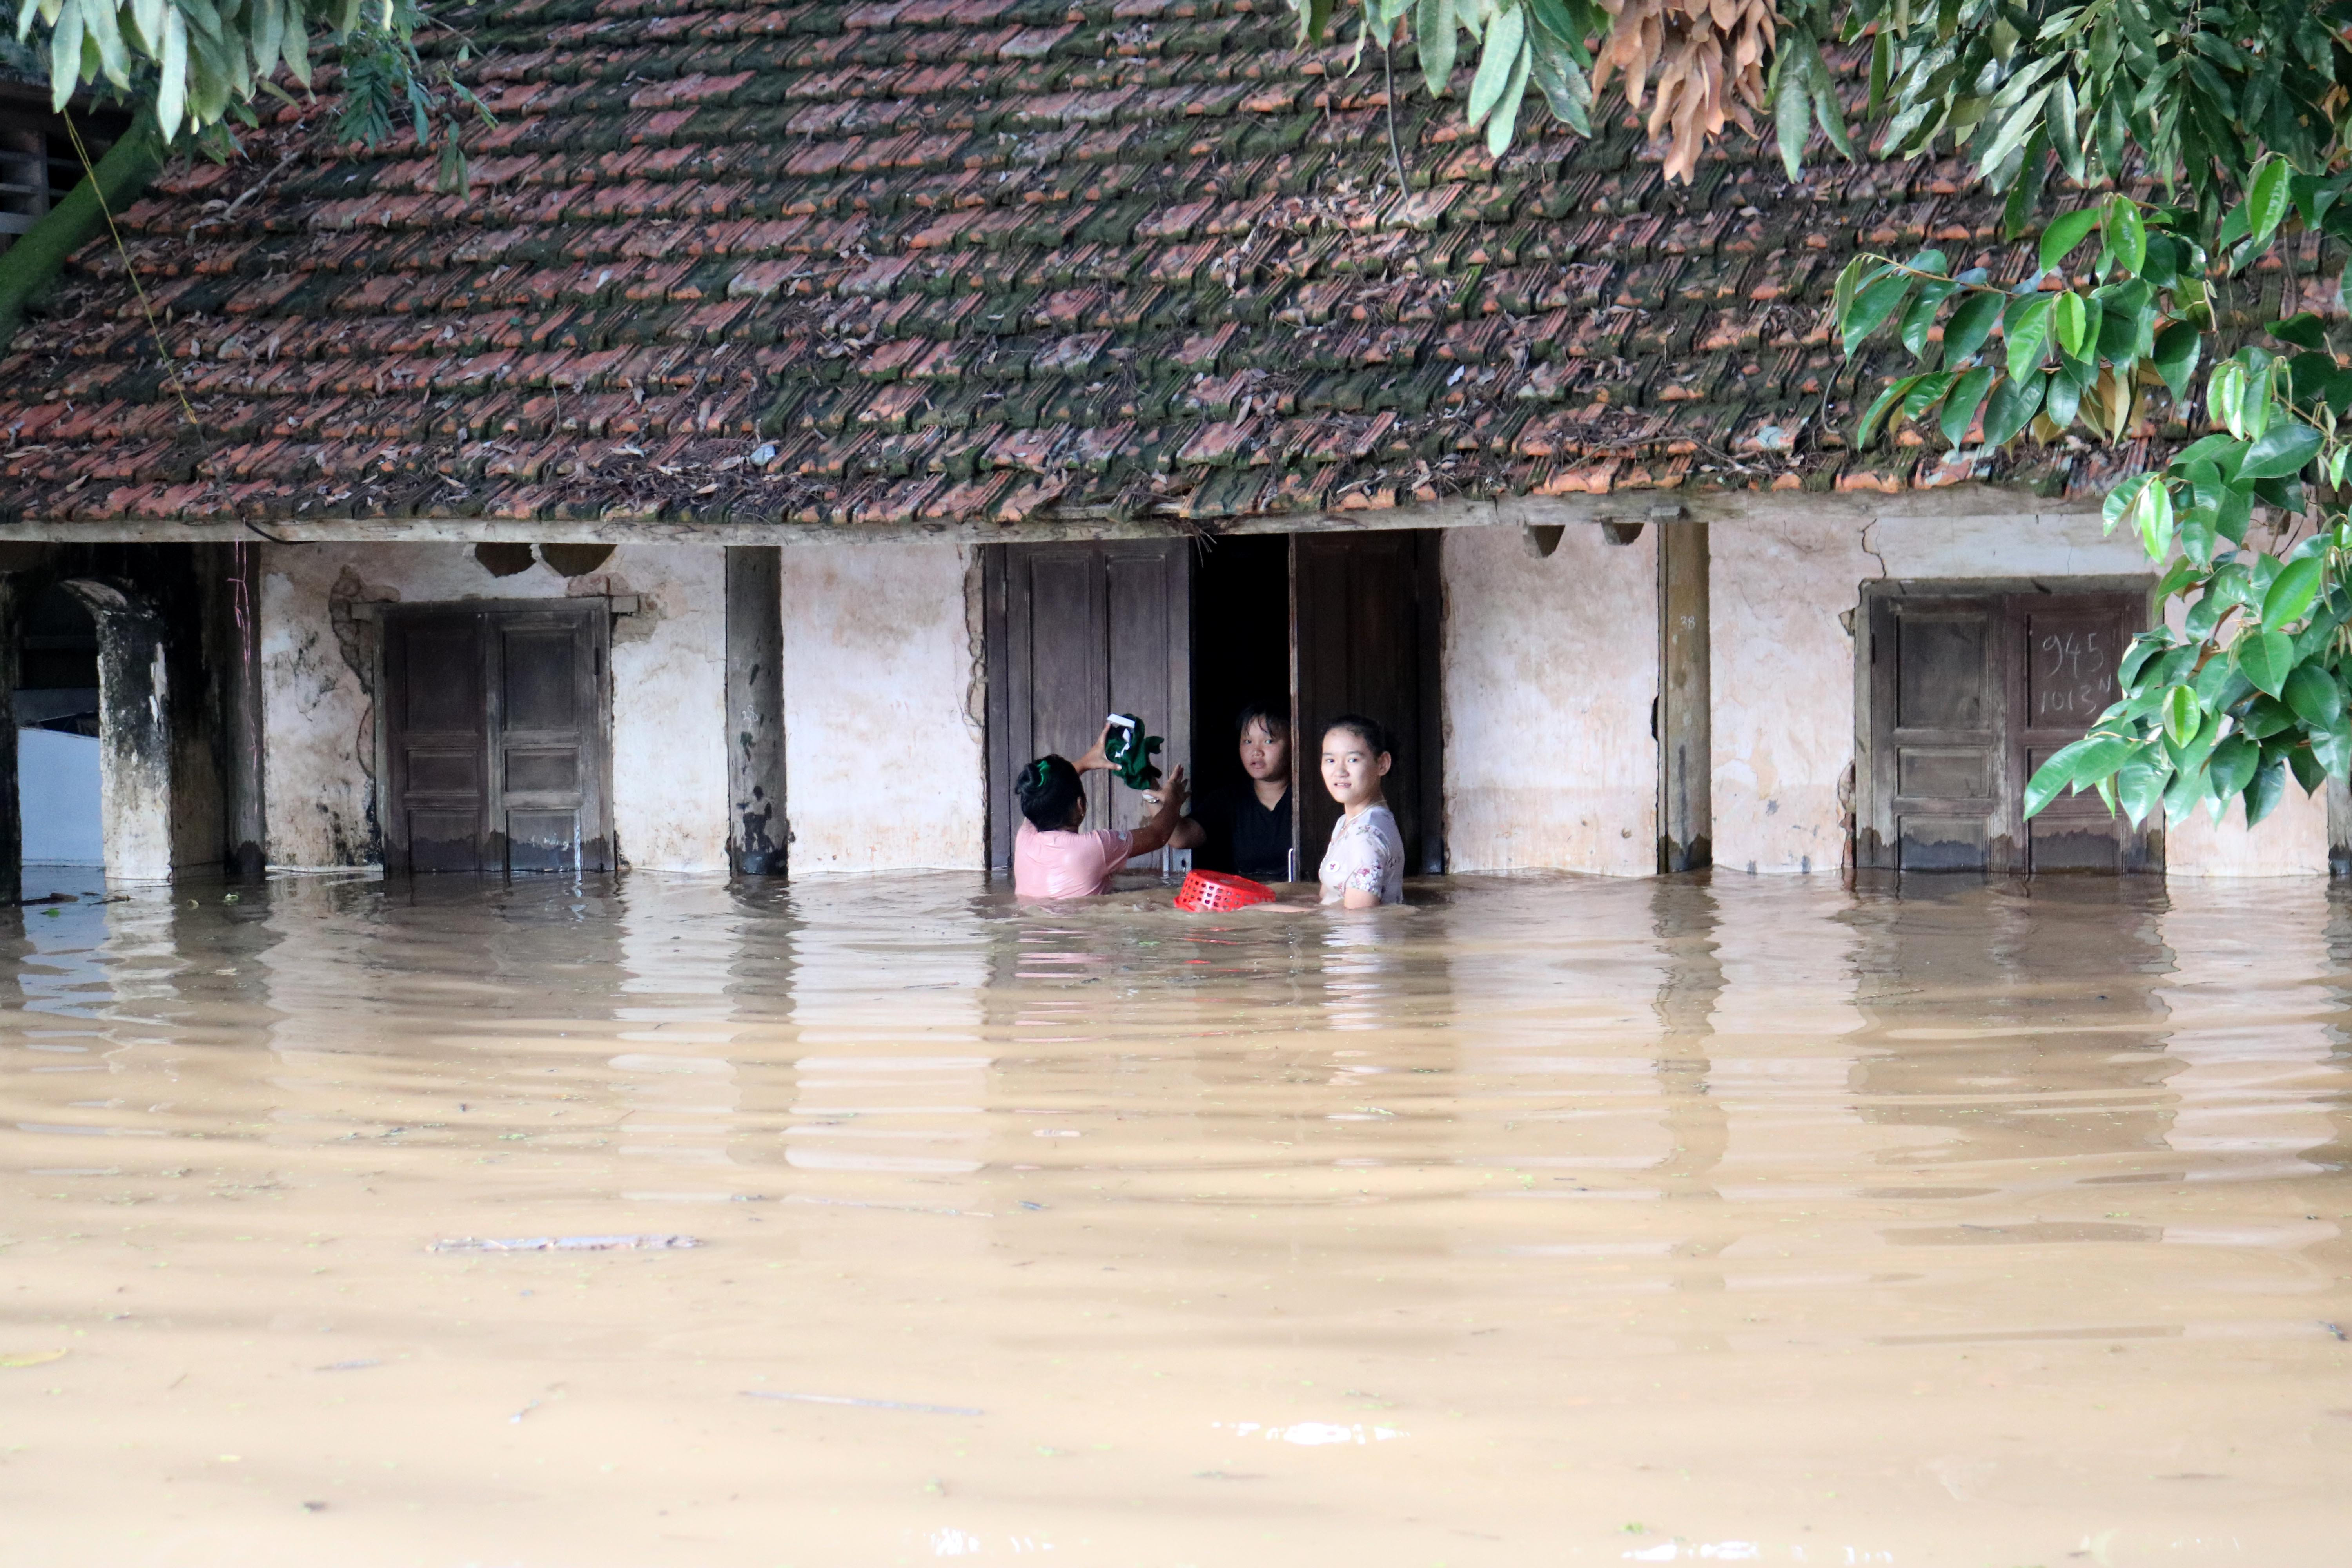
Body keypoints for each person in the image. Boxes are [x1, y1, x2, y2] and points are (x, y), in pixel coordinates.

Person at [1012, 723, 1190, 899]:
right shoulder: (1093, 847)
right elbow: (1158, 835)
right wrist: (1173, 801)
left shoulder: (1025, 837)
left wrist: (1084, 763)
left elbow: (1044, 796)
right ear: (1080, 806)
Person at [1165, 701, 1294, 882]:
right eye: (1248, 742)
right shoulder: (1230, 799)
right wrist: (1159, 798)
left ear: (1293, 743)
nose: (1256, 751)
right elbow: (1181, 838)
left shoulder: (1309, 799)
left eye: (1268, 741)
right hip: (1250, 902)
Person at [1317, 713, 1405, 908]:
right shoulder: (1348, 822)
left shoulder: (1367, 833)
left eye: (1353, 760)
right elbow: (1328, 900)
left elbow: (1359, 920)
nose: (1340, 771)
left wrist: (1263, 914)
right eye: (1330, 761)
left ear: (1382, 764)